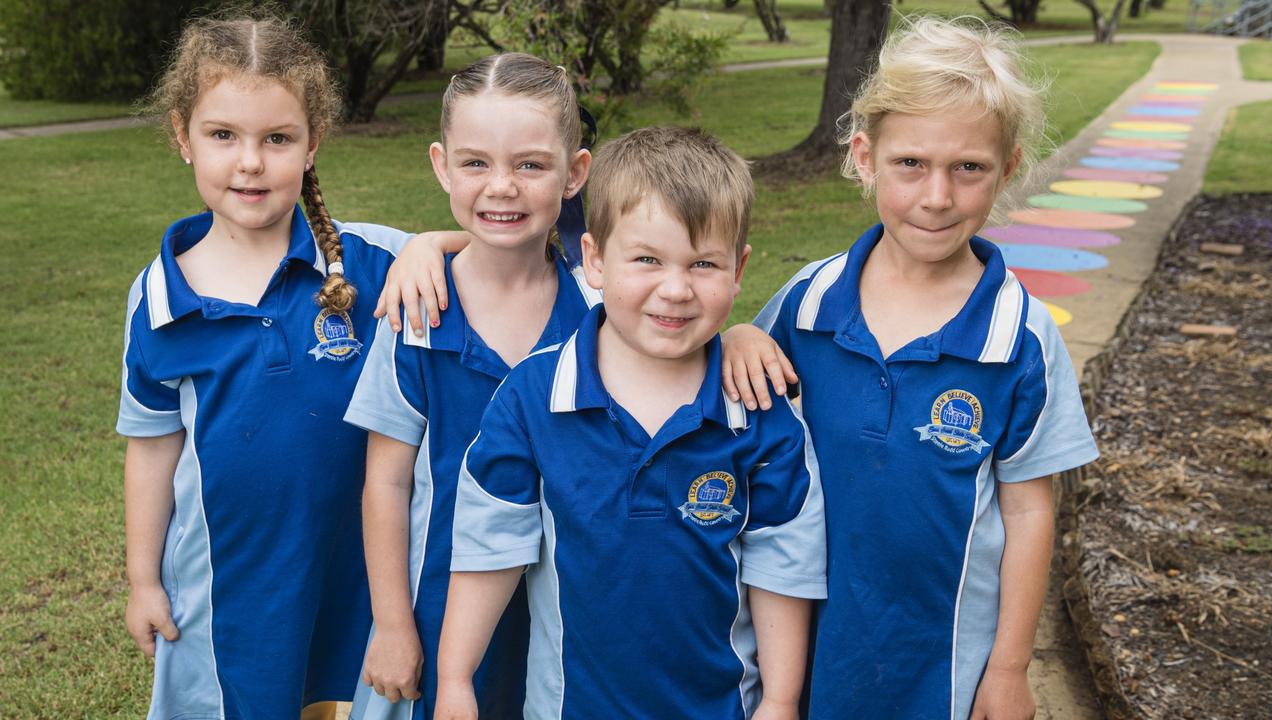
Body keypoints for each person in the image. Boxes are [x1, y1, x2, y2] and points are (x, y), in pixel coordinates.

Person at [722, 16, 1100, 720]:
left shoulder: (1019, 338)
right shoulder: (806, 304)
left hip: (942, 662)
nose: (937, 196)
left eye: (969, 168)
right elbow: (730, 400)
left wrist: (1011, 668)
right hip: (802, 646)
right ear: (865, 157)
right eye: (910, 164)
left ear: (1009, 168)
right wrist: (739, 334)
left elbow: (1027, 508)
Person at [432, 126, 827, 720]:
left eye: (703, 264)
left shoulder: (760, 412)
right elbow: (490, 548)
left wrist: (780, 699)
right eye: (647, 259)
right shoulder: (534, 399)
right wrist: (456, 680)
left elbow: (782, 567)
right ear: (593, 259)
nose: (675, 290)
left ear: (739, 269)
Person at [116, 15, 435, 719]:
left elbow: (501, 254)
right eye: (223, 135)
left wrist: (431, 246)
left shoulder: (374, 263)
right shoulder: (162, 298)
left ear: (312, 142)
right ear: (182, 137)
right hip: (230, 586)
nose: (250, 162)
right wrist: (143, 578)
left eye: (277, 139)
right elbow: (151, 447)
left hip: (362, 578)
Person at [343, 53, 597, 720]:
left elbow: (686, 316)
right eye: (477, 163)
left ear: (575, 173)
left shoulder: (603, 316)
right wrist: (393, 625)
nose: (502, 186)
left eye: (531, 165)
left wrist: (739, 337)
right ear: (442, 166)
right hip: (436, 607)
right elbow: (386, 484)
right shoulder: (416, 314)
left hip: (566, 612)